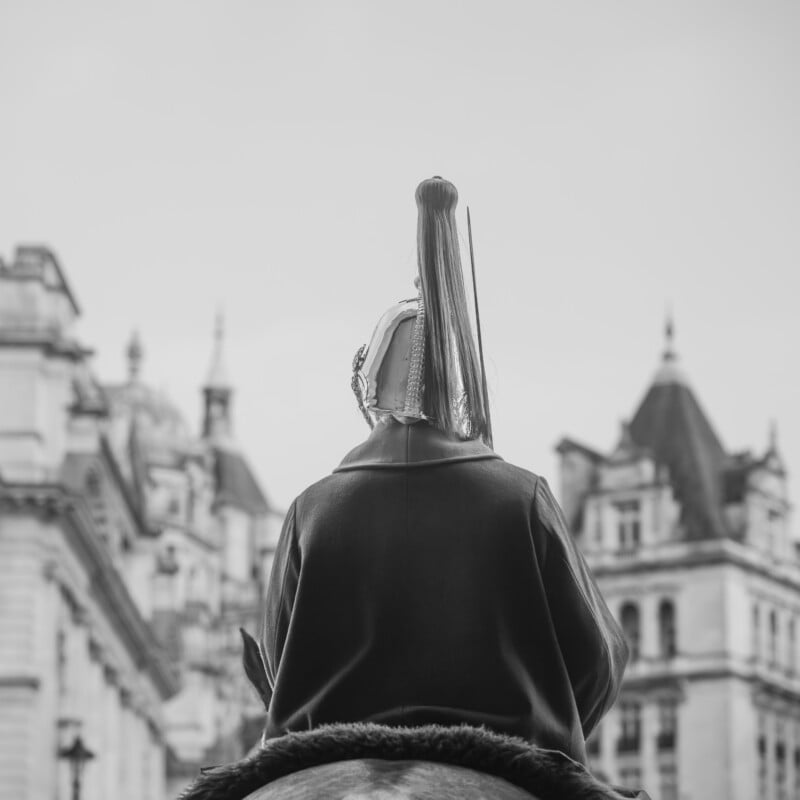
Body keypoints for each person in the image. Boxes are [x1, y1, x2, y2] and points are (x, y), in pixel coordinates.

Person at [256, 176, 628, 766]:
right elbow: (600, 658)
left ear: (367, 387)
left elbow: (278, 663)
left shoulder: (310, 508)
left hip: (321, 758)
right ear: (463, 392)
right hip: (512, 752)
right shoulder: (523, 495)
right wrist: (551, 728)